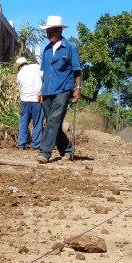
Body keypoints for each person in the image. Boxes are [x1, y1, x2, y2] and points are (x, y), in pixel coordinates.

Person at [36, 15, 82, 163]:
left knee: (54, 119)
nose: (49, 33)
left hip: (63, 89)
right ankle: (67, 149)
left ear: (60, 30)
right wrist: (40, 90)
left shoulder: (70, 48)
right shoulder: (46, 50)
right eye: (48, 31)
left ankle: (45, 152)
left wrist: (78, 88)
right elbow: (43, 72)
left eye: (53, 30)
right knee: (51, 121)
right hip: (47, 90)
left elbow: (77, 70)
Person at [15, 56, 43, 150]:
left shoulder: (19, 74)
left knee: (23, 123)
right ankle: (35, 145)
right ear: (26, 63)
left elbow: (19, 86)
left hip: (25, 100)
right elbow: (45, 76)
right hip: (37, 100)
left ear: (19, 66)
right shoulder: (36, 67)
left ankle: (21, 144)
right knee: (37, 123)